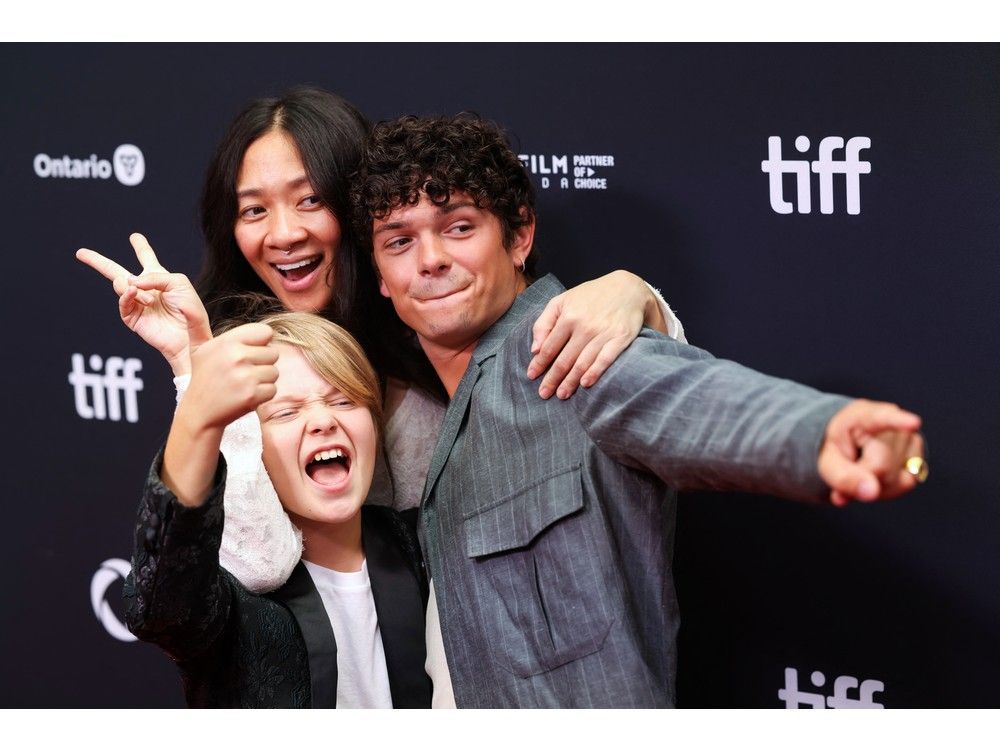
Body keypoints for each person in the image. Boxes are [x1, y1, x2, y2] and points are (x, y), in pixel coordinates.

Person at [351, 113, 929, 708]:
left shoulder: (563, 349)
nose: (430, 259)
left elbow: (683, 398)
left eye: (459, 227)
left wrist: (818, 434)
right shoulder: (413, 404)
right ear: (381, 277)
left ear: (519, 235)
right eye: (400, 241)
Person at [77, 86, 686, 595]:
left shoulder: (436, 315)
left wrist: (637, 295)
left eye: (311, 199)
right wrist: (196, 370)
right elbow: (252, 565)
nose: (284, 233)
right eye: (253, 210)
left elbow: (604, 377)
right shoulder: (239, 357)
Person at [125, 310, 431, 708]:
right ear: (250, 446)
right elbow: (162, 607)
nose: (323, 420)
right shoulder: (238, 595)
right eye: (286, 412)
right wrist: (200, 408)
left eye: (344, 400)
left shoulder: (423, 544)